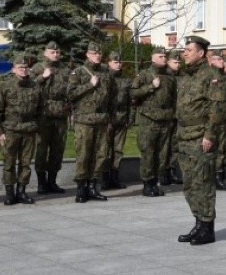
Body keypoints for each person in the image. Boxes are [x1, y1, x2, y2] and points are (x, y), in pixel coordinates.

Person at [175, 36, 226, 245]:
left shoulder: (211, 76)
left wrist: (209, 136)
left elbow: (217, 109)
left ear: (201, 53)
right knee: (190, 184)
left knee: (203, 183)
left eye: (189, 50)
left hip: (200, 138)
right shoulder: (187, 76)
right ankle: (198, 224)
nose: (184, 53)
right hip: (184, 136)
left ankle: (207, 228)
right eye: (184, 50)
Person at [0, 55, 44, 205]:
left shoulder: (35, 86)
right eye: (20, 67)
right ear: (14, 69)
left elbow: (41, 109)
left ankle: (22, 192)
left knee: (25, 163)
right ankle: (10, 193)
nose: (23, 70)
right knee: (9, 162)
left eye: (26, 67)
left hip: (29, 130)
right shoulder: (5, 87)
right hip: (10, 130)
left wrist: (37, 126)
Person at [67, 41, 115, 203]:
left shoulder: (106, 73)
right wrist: (89, 85)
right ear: (87, 54)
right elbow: (71, 94)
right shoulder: (78, 73)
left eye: (99, 53)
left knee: (100, 154)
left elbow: (112, 97)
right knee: (84, 154)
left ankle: (93, 186)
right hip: (84, 120)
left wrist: (110, 118)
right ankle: (81, 188)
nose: (97, 56)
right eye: (94, 53)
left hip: (101, 120)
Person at [131, 47, 176, 197]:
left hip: (165, 120)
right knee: (148, 152)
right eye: (160, 56)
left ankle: (155, 182)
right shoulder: (144, 75)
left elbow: (174, 99)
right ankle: (147, 183)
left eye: (165, 56)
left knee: (162, 155)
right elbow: (133, 93)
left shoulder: (170, 77)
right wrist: (151, 87)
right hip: (149, 120)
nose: (164, 58)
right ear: (153, 58)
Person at [31, 41, 71, 195]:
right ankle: (41, 183)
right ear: (45, 53)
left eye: (57, 52)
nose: (55, 54)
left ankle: (52, 181)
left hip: (60, 115)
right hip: (43, 115)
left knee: (57, 149)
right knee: (41, 149)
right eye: (52, 52)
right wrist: (42, 77)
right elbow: (28, 88)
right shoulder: (37, 68)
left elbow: (70, 90)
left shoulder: (65, 70)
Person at [206, 48, 226, 191]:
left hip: (223, 119)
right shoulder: (206, 75)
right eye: (220, 59)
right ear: (212, 60)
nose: (223, 62)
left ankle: (218, 178)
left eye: (223, 59)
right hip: (209, 120)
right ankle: (208, 179)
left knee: (221, 149)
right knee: (208, 150)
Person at [103, 51, 129, 190]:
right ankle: (105, 178)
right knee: (106, 149)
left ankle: (114, 177)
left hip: (121, 118)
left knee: (118, 150)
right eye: (115, 62)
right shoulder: (105, 78)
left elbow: (129, 101)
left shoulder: (125, 80)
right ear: (109, 63)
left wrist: (129, 118)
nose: (118, 65)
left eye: (119, 62)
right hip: (108, 119)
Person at [160, 48, 183, 187]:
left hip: (178, 116)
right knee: (164, 146)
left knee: (175, 145)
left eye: (179, 62)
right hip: (166, 116)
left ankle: (173, 171)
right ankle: (163, 172)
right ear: (168, 62)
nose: (178, 64)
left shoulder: (182, 77)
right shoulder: (164, 77)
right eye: (175, 62)